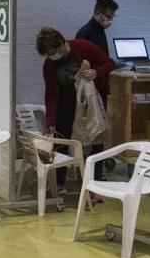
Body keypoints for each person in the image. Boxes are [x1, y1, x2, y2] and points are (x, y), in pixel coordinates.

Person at [36, 27, 116, 189]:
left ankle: (95, 182)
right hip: (66, 103)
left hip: (89, 102)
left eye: (52, 53)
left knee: (95, 138)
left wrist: (96, 72)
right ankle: (59, 183)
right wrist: (50, 122)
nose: (51, 57)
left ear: (61, 44)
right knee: (62, 140)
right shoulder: (49, 64)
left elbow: (109, 63)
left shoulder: (83, 46)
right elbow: (50, 94)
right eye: (48, 55)